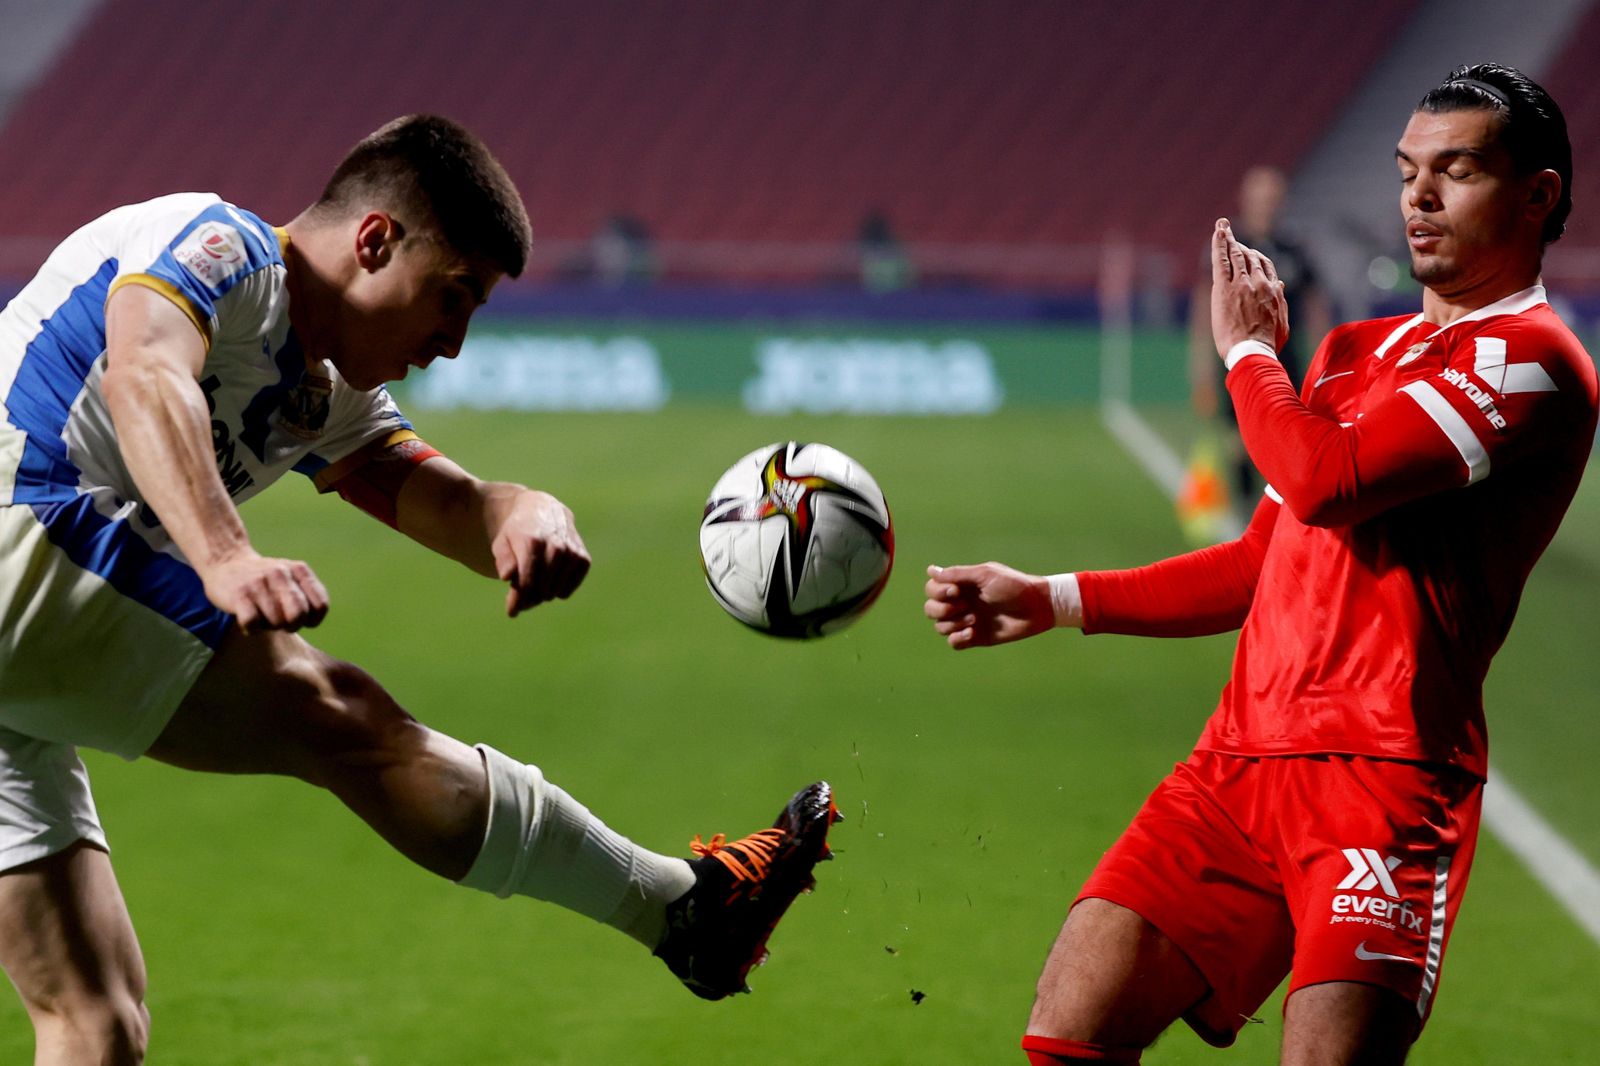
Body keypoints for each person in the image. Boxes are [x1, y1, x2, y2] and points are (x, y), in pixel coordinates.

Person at [0, 114, 838, 1063]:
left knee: (95, 1021)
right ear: (373, 240)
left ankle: (688, 918)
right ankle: (684, 914)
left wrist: (522, 512)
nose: (453, 342)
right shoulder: (221, 247)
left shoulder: (327, 390)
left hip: (20, 643)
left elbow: (443, 497)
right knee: (337, 713)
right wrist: (227, 557)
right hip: (17, 522)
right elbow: (144, 373)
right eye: (454, 296)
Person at [925, 62, 1596, 1065]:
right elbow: (1255, 566)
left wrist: (1246, 356)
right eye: (1407, 169)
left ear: (1536, 195)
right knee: (1067, 1023)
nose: (1416, 196)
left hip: (1383, 780)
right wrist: (1055, 598)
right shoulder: (1348, 354)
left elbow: (1327, 477)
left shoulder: (1534, 361)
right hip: (1234, 766)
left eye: (1453, 171)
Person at [1188, 165, 1332, 508]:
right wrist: (1201, 368)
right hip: (1237, 357)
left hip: (1287, 359)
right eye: (1260, 197)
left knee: (1286, 436)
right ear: (1246, 199)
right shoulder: (1227, 247)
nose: (1266, 204)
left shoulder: (1294, 247)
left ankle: (1282, 512)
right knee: (1238, 441)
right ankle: (1244, 513)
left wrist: (1326, 354)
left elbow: (1315, 305)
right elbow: (1202, 305)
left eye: (1272, 197)